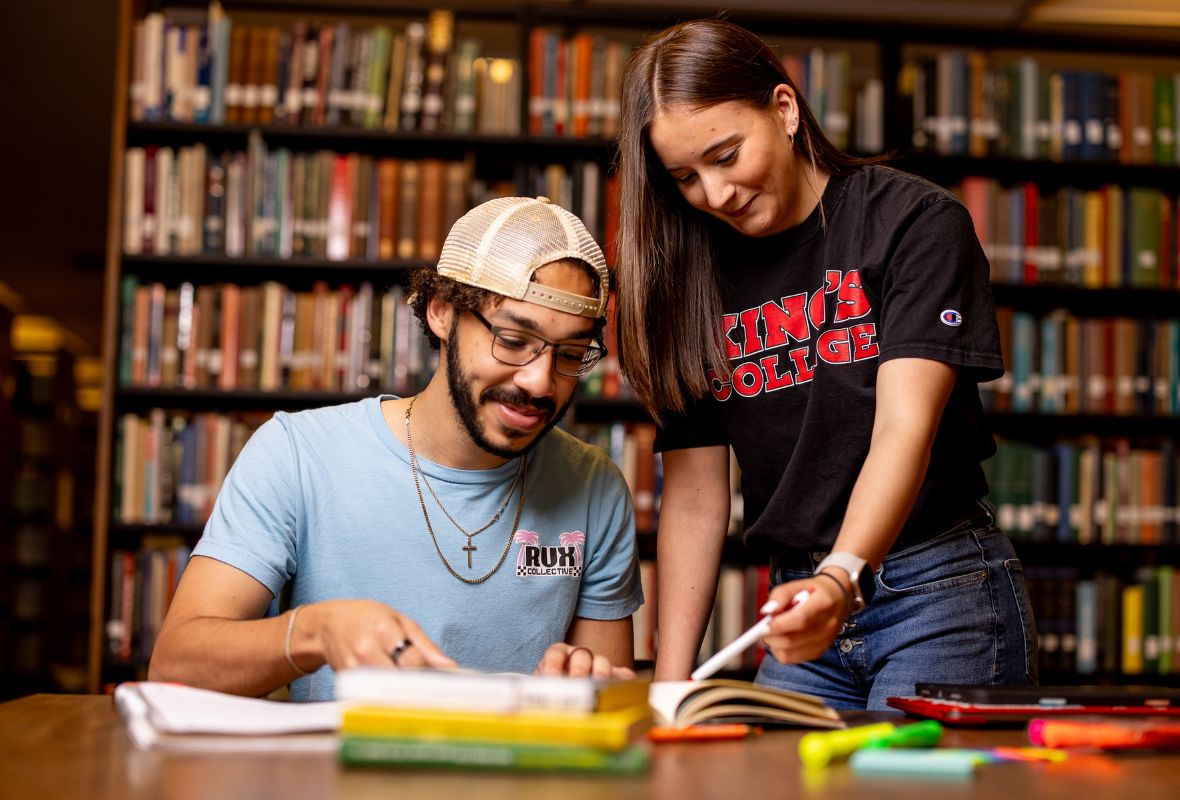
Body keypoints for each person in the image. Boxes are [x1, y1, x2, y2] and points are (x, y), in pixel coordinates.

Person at [616, 19, 1037, 709]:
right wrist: (670, 688)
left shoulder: (913, 222)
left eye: (726, 155)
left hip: (936, 591)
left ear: (784, 109)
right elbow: (694, 498)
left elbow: (904, 427)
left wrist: (841, 578)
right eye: (685, 177)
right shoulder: (690, 279)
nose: (715, 195)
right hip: (795, 609)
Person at [150, 196, 643, 701]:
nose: (540, 382)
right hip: (333, 779)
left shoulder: (594, 485)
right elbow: (175, 666)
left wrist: (575, 692)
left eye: (570, 355)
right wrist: (315, 632)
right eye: (514, 340)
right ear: (442, 312)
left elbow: (608, 711)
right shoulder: (297, 454)